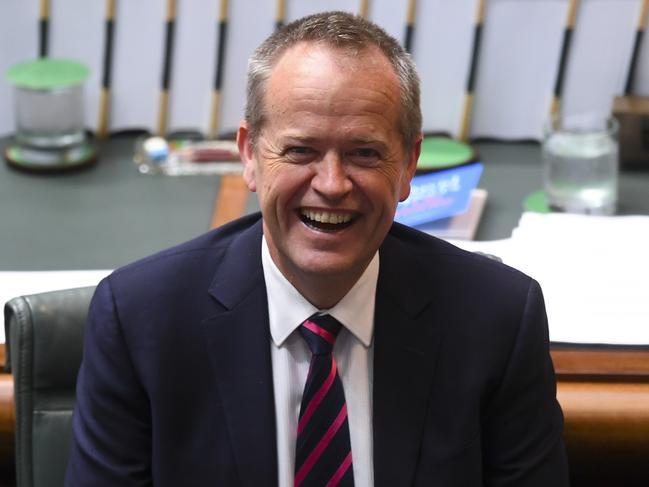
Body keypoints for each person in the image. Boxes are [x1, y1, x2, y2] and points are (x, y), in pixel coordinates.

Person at [66, 11, 569, 487]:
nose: (331, 184)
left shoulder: (498, 319)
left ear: (410, 164)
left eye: (364, 153)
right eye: (301, 150)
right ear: (249, 155)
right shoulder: (139, 320)